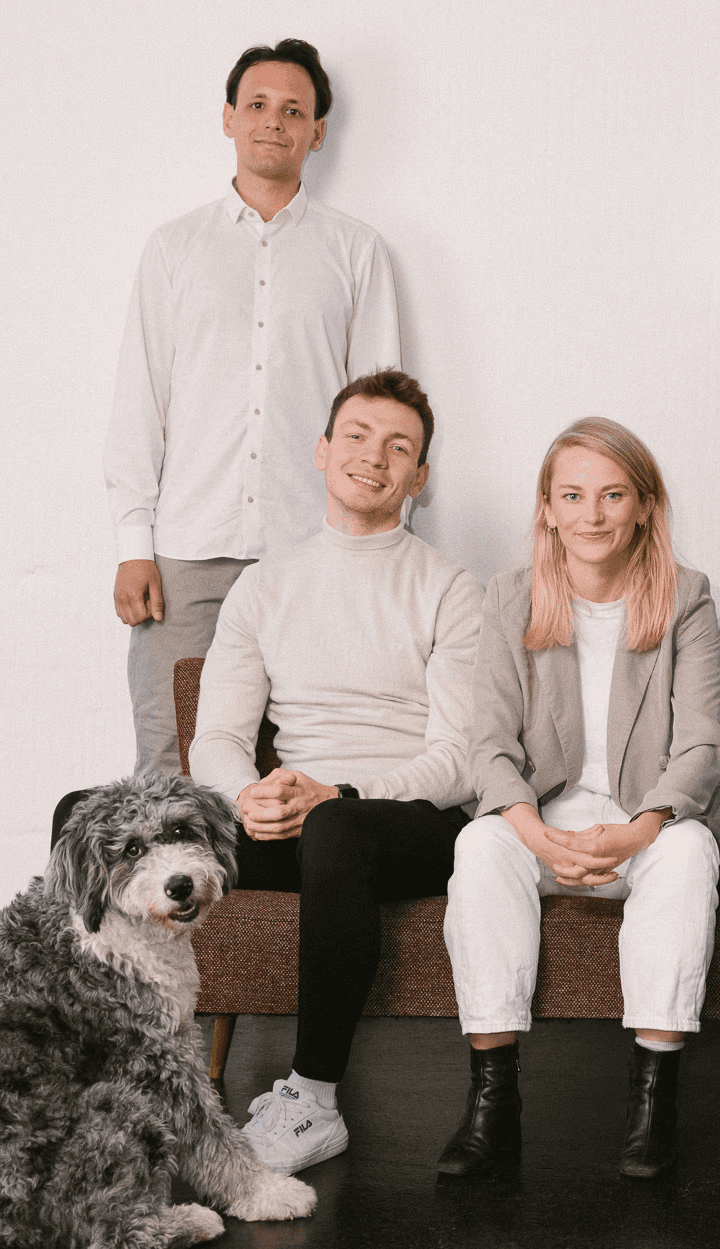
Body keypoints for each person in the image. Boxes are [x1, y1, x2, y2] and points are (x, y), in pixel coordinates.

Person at [56, 370, 482, 1176]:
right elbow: (217, 734)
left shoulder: (449, 588)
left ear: (419, 477)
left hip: (404, 823)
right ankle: (94, 1068)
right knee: (83, 810)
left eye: (400, 447)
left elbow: (459, 759)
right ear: (322, 451)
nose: (374, 457)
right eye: (356, 436)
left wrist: (338, 794)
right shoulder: (267, 584)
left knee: (335, 826)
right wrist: (246, 796)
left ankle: (313, 1101)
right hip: (291, 824)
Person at [104, 38, 400, 776]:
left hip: (312, 552)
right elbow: (141, 399)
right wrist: (132, 542)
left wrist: (373, 554)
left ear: (317, 132)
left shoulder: (355, 251)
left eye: (294, 110)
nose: (275, 121)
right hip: (185, 552)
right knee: (171, 761)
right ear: (229, 118)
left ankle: (277, 899)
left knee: (311, 756)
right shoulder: (173, 249)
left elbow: (384, 416)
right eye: (259, 105)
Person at [439, 418, 720, 1181]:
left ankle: (652, 1105)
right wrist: (534, 834)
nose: (592, 514)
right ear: (548, 507)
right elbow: (490, 745)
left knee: (692, 850)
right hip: (545, 816)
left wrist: (639, 831)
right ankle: (493, 1103)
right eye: (573, 494)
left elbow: (701, 743)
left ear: (643, 504)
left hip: (648, 816)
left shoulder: (687, 596)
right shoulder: (509, 598)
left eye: (611, 494)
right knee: (478, 844)